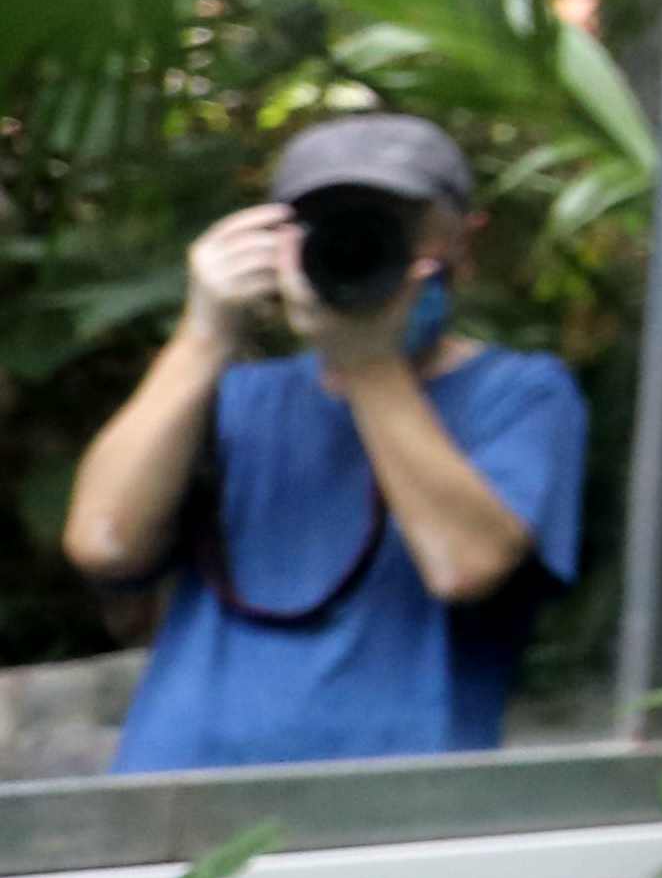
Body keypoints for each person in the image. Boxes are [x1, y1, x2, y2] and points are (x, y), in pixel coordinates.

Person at [60, 114, 589, 771]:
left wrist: (367, 362)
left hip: (392, 807)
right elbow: (102, 542)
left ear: (462, 244)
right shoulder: (234, 395)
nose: (356, 244)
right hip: (179, 795)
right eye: (329, 222)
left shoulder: (523, 393)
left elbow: (464, 564)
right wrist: (203, 334)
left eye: (390, 221)